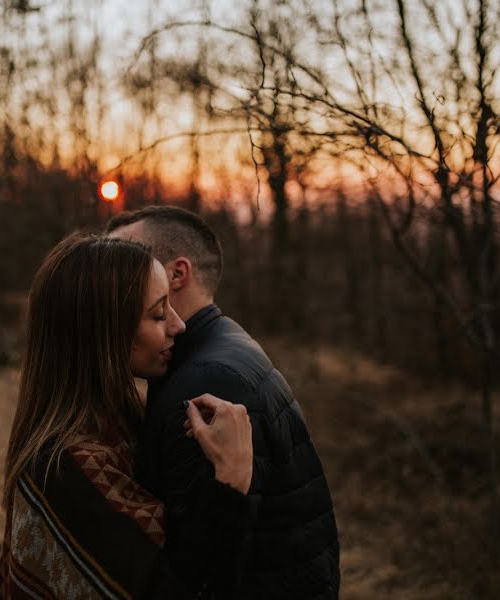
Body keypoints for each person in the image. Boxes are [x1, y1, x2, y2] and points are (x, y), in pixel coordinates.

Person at [0, 233, 256, 599]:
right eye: (159, 313)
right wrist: (232, 480)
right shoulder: (64, 468)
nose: (178, 326)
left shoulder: (123, 419)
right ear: (105, 332)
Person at [107, 206, 340, 599]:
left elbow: (200, 570)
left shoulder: (204, 385)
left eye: (127, 263)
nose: (111, 276)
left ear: (177, 274)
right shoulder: (217, 344)